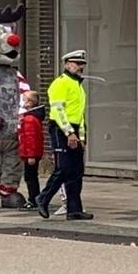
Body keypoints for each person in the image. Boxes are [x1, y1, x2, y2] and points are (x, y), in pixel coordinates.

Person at [37, 50, 92, 221]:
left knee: (77, 170)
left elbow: (79, 115)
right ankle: (43, 198)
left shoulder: (77, 85)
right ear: (67, 64)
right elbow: (58, 111)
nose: (80, 67)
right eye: (77, 63)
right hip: (61, 129)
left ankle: (74, 209)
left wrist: (81, 137)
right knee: (64, 168)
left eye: (82, 64)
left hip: (73, 129)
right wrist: (69, 133)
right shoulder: (60, 83)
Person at [17, 91, 47, 211]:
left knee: (30, 177)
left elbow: (31, 139)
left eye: (23, 99)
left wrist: (31, 156)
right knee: (32, 176)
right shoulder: (32, 117)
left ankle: (33, 199)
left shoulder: (29, 119)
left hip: (31, 154)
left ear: (29, 103)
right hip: (32, 153)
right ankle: (35, 198)